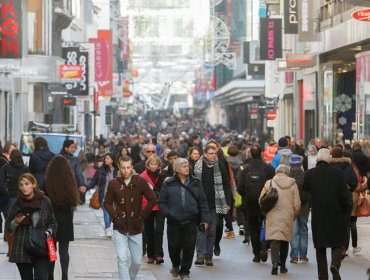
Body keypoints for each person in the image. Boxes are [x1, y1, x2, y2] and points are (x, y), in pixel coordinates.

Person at [104, 156, 157, 280]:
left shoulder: (140, 181)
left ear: (132, 167)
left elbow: (153, 198)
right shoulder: (113, 183)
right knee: (122, 259)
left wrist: (142, 215)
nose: (126, 170)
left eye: (128, 167)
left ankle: (131, 277)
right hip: (119, 227)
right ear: (119, 167)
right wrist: (115, 217)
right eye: (123, 168)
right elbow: (107, 203)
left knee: (137, 261)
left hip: (136, 227)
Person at [303, 148, 351, 280]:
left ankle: (322, 275)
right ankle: (335, 264)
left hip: (319, 214)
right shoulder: (338, 173)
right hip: (336, 213)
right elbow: (344, 194)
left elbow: (305, 189)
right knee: (338, 241)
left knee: (320, 246)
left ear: (317, 159)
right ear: (329, 159)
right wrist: (346, 208)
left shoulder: (310, 174)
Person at [158, 158, 210, 280]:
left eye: (187, 166)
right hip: (173, 221)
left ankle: (185, 271)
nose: (187, 168)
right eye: (183, 166)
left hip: (191, 220)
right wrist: (169, 213)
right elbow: (161, 202)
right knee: (173, 246)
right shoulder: (168, 183)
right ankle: (176, 264)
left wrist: (205, 219)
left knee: (189, 246)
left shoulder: (196, 183)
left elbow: (203, 202)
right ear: (176, 169)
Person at [5, 173, 57, 280]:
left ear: (33, 184)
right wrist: (16, 222)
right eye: (21, 185)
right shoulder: (16, 204)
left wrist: (48, 232)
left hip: (41, 246)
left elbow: (53, 223)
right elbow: (8, 227)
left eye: (27, 184)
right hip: (22, 248)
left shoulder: (44, 201)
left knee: (42, 277)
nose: (24, 187)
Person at [193, 145, 231, 266]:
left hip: (215, 203)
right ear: (205, 154)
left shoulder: (219, 165)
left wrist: (228, 202)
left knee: (212, 230)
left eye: (215, 153)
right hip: (200, 203)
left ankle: (209, 255)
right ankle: (200, 255)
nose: (214, 155)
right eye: (211, 153)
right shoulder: (197, 166)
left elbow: (226, 184)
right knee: (201, 229)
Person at [44, 156, 81, 280]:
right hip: (65, 217)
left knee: (51, 248)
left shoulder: (48, 181)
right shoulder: (69, 181)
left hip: (50, 218)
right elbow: (73, 201)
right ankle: (65, 275)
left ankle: (50, 275)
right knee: (64, 250)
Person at [259, 164, 300, 275]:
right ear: (287, 173)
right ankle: (283, 266)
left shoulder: (270, 182)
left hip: (272, 215)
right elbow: (297, 204)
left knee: (274, 240)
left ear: (277, 172)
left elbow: (261, 200)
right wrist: (293, 215)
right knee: (284, 241)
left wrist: (266, 211)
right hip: (287, 216)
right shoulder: (293, 184)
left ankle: (275, 264)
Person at [237, 144, 275, 262]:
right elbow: (273, 186)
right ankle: (265, 243)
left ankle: (256, 254)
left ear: (251, 154)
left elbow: (240, 188)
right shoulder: (269, 169)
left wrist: (246, 197)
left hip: (251, 203)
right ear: (262, 153)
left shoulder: (246, 169)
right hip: (266, 203)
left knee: (253, 228)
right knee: (267, 225)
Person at [140, 155, 165, 264]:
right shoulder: (142, 176)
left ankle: (159, 254)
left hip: (160, 206)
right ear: (148, 165)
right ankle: (150, 255)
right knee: (149, 231)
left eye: (155, 164)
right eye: (151, 164)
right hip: (147, 206)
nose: (154, 166)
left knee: (159, 230)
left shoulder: (163, 175)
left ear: (159, 165)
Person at [88, 153, 118, 237]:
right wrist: (86, 188)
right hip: (103, 195)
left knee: (113, 213)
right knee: (106, 212)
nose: (106, 160)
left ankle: (111, 226)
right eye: (105, 158)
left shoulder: (117, 170)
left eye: (108, 158)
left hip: (115, 196)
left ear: (112, 160)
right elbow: (93, 181)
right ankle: (107, 228)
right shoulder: (100, 170)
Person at [289, 155, 310, 264]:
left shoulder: (288, 176)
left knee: (294, 231)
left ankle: (294, 256)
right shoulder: (305, 175)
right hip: (304, 207)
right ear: (300, 164)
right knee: (304, 230)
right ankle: (303, 255)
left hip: (292, 207)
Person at [59, 139, 87, 204]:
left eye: (74, 147)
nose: (73, 149)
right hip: (60, 187)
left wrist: (82, 184)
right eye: (71, 147)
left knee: (71, 206)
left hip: (71, 186)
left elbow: (79, 173)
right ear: (66, 148)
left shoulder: (75, 159)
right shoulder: (58, 158)